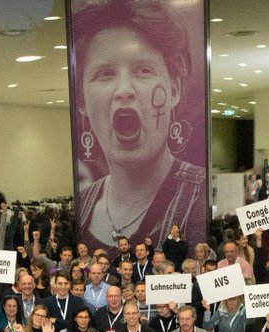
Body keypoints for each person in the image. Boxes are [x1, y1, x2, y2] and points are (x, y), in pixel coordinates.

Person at [71, 0, 206, 250]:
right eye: (105, 74)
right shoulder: (81, 205)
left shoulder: (201, 200)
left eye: (143, 70)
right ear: (81, 101)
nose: (124, 91)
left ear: (174, 88)